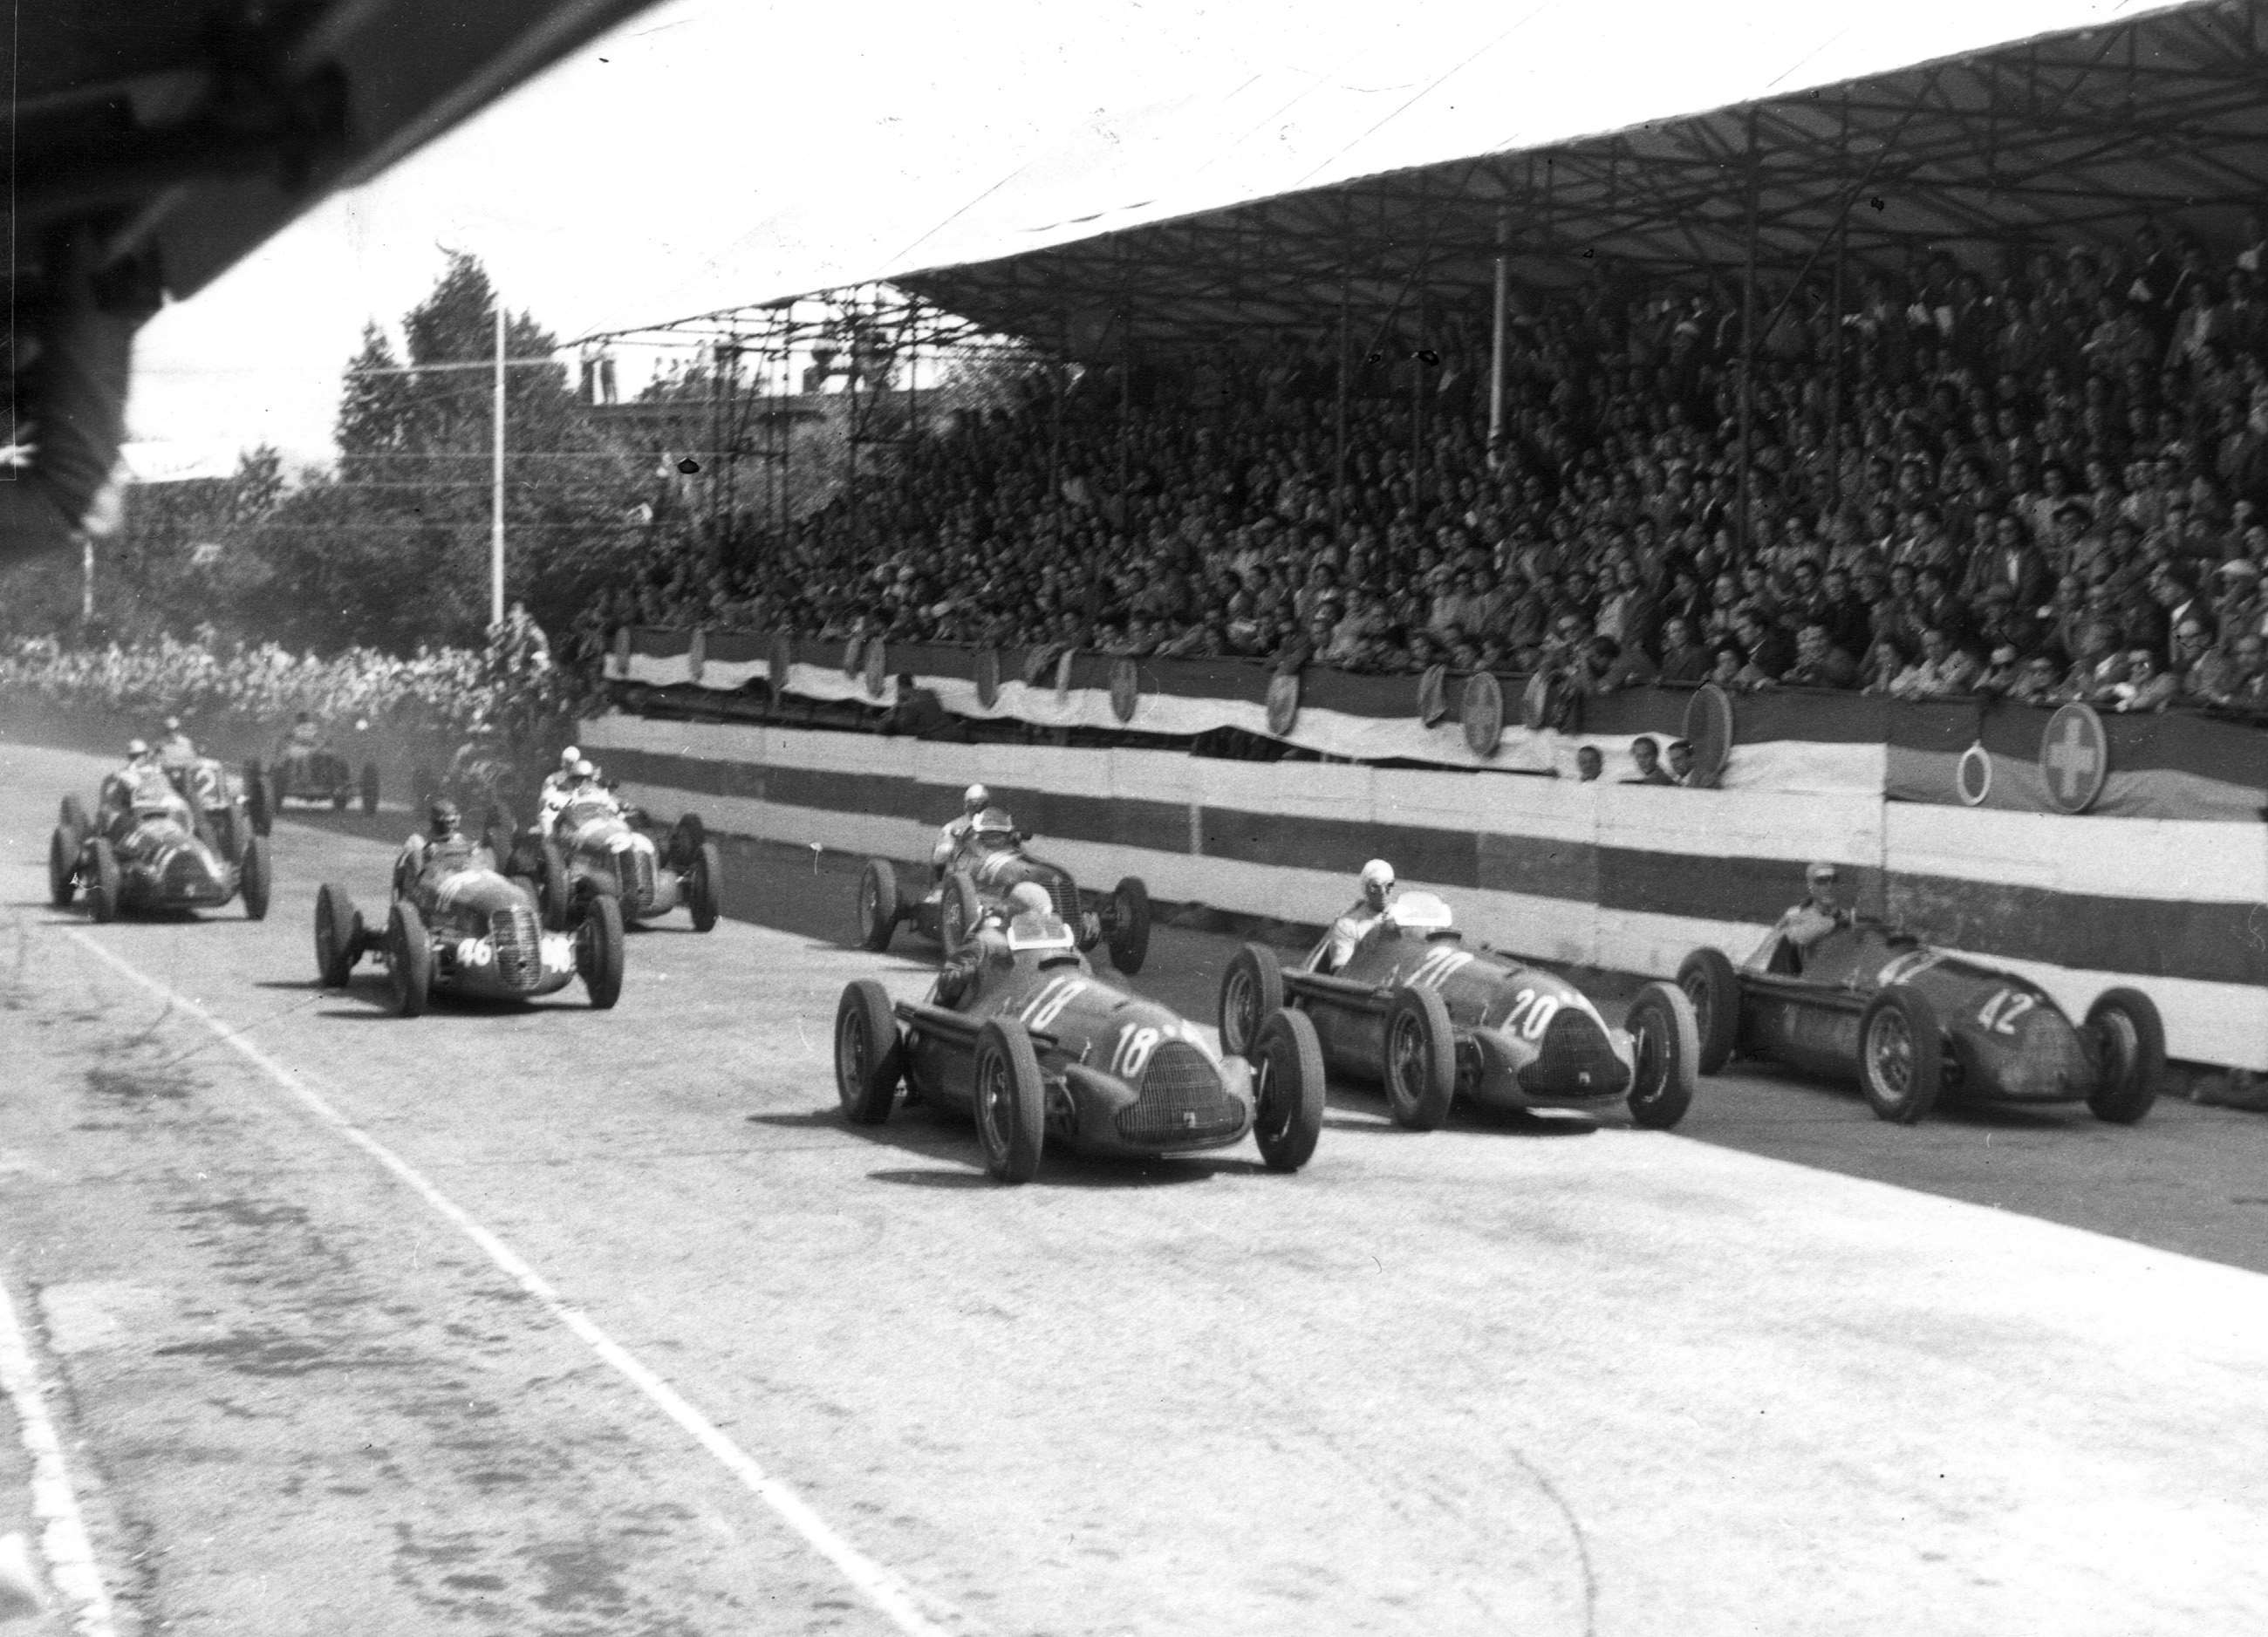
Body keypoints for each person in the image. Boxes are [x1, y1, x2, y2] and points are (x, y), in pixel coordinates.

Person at [934, 881, 1055, 1006]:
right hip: (981, 1016)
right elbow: (946, 986)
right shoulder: (986, 941)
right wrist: (969, 971)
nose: (1046, 919)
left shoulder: (1053, 945)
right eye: (1041, 915)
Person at [1320, 859, 1396, 973]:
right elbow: (1341, 971)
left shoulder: (1405, 915)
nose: (1383, 891)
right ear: (1365, 888)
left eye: (1389, 885)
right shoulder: (1347, 924)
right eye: (1375, 886)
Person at [1773, 862, 1854, 965]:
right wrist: (1831, 922)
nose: (1829, 886)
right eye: (1822, 881)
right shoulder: (1795, 914)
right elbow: (1781, 940)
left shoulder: (1846, 916)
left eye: (1834, 880)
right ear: (1811, 886)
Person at [932, 783, 992, 873]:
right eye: (974, 804)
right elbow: (941, 856)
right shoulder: (952, 828)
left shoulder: (995, 826)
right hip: (964, 876)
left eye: (980, 804)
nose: (977, 808)